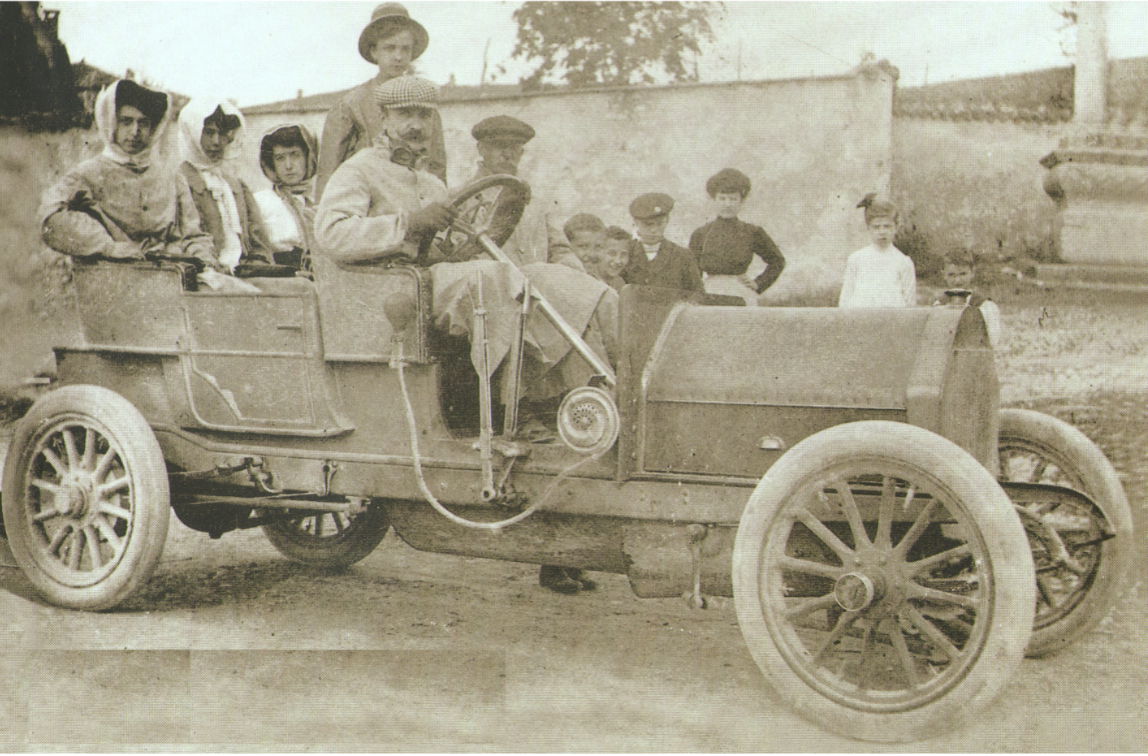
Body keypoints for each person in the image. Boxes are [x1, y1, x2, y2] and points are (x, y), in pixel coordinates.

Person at [315, 77, 614, 597]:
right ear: (385, 119)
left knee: (554, 280)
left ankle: (583, 398)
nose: (416, 125)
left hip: (437, 280)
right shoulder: (358, 170)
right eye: (406, 115)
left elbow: (451, 245)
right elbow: (332, 233)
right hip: (391, 291)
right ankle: (510, 409)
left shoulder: (432, 182)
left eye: (424, 115)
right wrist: (407, 223)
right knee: (493, 279)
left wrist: (453, 237)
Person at [39, 79, 216, 267]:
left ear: (154, 128)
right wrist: (107, 246)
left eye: (143, 123)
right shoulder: (87, 174)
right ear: (111, 123)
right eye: (126, 122)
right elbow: (48, 217)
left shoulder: (171, 177)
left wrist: (204, 258)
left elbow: (192, 235)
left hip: (169, 271)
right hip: (110, 272)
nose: (135, 131)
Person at [315, 3, 446, 198]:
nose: (398, 57)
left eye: (405, 49)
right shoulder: (350, 105)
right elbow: (329, 171)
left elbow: (437, 167)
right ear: (374, 51)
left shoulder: (424, 105)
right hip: (366, 202)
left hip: (417, 202)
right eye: (389, 48)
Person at [463, 115, 579, 270]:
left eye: (514, 148)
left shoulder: (537, 201)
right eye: (500, 146)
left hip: (535, 283)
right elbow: (457, 256)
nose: (507, 155)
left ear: (521, 152)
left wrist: (576, 275)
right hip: (487, 282)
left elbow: (560, 251)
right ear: (482, 149)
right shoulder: (462, 199)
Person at [177, 98, 272, 273]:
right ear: (192, 133)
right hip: (204, 272)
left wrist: (259, 265)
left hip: (244, 270)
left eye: (222, 134)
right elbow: (181, 240)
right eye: (209, 132)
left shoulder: (234, 184)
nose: (216, 141)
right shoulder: (178, 182)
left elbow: (258, 238)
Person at [688, 168, 785, 305]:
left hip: (740, 293)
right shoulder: (701, 234)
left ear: (742, 201)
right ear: (713, 200)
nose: (727, 204)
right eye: (722, 198)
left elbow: (777, 261)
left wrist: (759, 284)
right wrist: (695, 294)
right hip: (709, 293)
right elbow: (692, 272)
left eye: (733, 199)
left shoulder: (752, 232)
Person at [253, 123, 319, 271]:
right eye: (280, 158)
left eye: (295, 155)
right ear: (271, 164)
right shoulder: (261, 202)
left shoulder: (321, 199)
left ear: (308, 157)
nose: (288, 166)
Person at [837, 194, 917, 308]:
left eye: (887, 226)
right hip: (860, 315)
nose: (882, 231)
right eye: (876, 227)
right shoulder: (856, 259)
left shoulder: (903, 262)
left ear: (895, 228)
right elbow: (845, 299)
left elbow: (910, 303)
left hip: (892, 317)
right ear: (868, 228)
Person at [620, 193, 703, 293]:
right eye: (648, 224)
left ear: (667, 221)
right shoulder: (625, 252)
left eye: (659, 224)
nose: (654, 230)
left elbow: (697, 294)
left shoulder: (683, 256)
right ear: (636, 222)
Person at [934, 250, 1002, 347]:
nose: (957, 281)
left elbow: (993, 343)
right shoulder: (938, 305)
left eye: (963, 274)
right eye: (951, 275)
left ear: (972, 273)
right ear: (944, 275)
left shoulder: (986, 307)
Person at [598, 226, 631, 291]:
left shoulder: (620, 284)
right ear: (599, 252)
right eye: (612, 253)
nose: (618, 261)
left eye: (623, 254)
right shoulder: (589, 280)